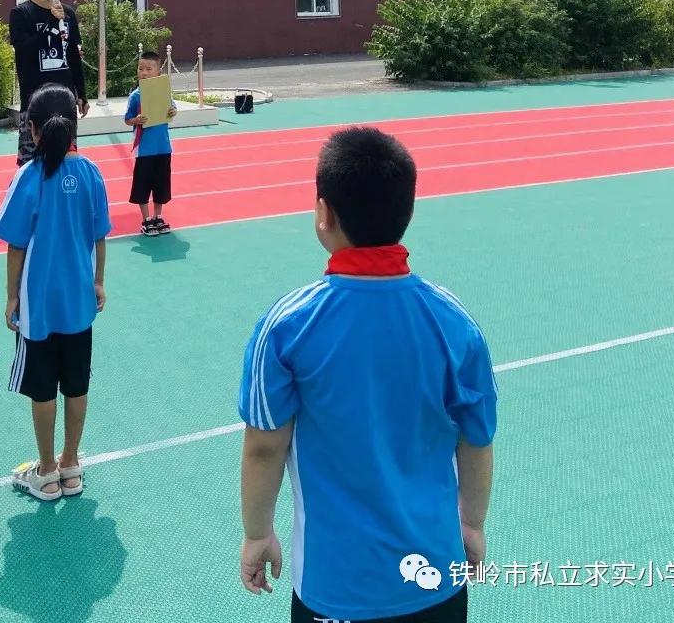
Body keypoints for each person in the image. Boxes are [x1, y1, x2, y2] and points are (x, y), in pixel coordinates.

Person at [238, 126, 496, 623]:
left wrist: (256, 534)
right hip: (435, 579)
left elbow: (265, 445)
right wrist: (472, 522)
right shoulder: (453, 322)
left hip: (336, 586)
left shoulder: (288, 326)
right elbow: (477, 436)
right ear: (409, 211)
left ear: (323, 212)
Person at [0, 82, 112, 501]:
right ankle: (71, 465)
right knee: (77, 385)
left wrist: (11, 297)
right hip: (79, 304)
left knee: (42, 389)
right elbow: (100, 236)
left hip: (39, 307)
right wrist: (98, 281)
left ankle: (45, 472)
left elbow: (16, 243)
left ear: (33, 130)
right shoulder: (91, 172)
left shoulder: (30, 176)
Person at [8, 0, 89, 168]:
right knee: (30, 163)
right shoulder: (21, 13)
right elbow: (25, 50)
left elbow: (72, 55)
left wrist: (81, 93)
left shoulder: (68, 14)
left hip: (64, 97)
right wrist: (52, 22)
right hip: (35, 98)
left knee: (67, 159)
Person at [124, 51, 177, 234]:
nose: (144, 72)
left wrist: (172, 112)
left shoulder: (164, 92)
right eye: (140, 68)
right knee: (143, 185)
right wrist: (136, 120)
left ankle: (158, 217)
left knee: (161, 184)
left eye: (148, 68)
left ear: (158, 72)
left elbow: (172, 109)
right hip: (144, 149)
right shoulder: (136, 96)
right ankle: (146, 219)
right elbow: (127, 119)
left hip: (163, 147)